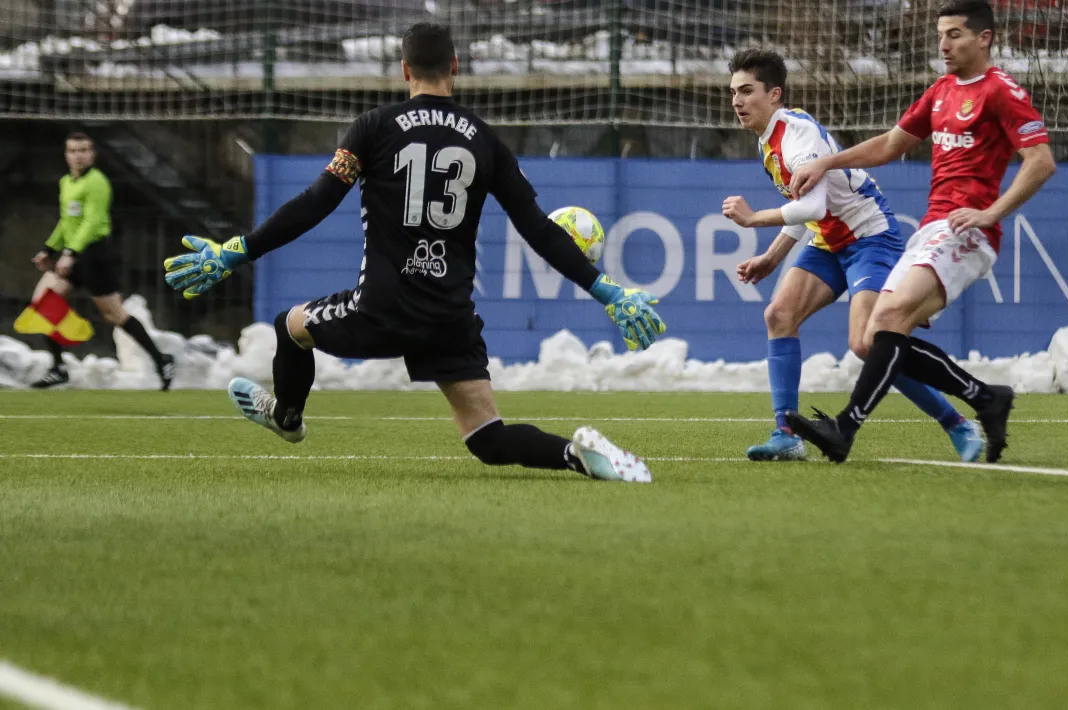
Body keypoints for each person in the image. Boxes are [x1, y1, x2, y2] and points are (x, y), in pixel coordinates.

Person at [162, 22, 666, 483]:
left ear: (404, 69)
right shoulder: (485, 140)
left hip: (380, 307)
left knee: (288, 326)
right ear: (455, 67)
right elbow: (538, 229)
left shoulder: (374, 127)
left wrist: (235, 251)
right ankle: (577, 456)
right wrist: (607, 290)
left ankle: (287, 420)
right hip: (447, 314)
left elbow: (316, 202)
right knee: (487, 437)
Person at [784, 0, 1056, 463]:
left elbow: (1041, 161)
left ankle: (844, 429)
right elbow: (891, 144)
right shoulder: (941, 91)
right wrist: (827, 160)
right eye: (940, 35)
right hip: (932, 230)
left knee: (888, 321)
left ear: (984, 38)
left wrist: (991, 213)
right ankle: (985, 398)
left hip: (964, 232)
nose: (943, 44)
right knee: (872, 340)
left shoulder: (1000, 92)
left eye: (954, 35)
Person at [721, 48, 983, 463]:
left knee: (868, 343)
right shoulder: (768, 142)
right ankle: (786, 433)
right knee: (778, 315)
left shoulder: (795, 134)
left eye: (746, 91)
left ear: (774, 94)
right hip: (829, 241)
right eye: (733, 91)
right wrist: (773, 256)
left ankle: (958, 423)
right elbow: (807, 207)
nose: (737, 100)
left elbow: (812, 208)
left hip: (869, 237)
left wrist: (754, 221)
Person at [29, 132, 175, 390]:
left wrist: (70, 253)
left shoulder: (97, 183)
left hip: (94, 256)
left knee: (114, 314)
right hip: (72, 255)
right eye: (73, 151)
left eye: (84, 150)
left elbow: (92, 221)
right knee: (43, 302)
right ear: (66, 155)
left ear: (92, 154)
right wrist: (49, 249)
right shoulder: (66, 182)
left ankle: (162, 359)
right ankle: (58, 367)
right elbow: (67, 222)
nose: (78, 155)